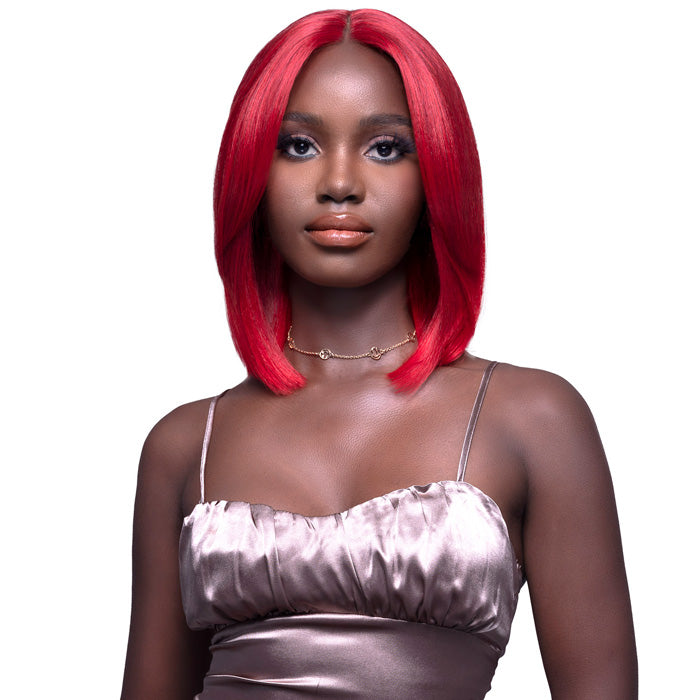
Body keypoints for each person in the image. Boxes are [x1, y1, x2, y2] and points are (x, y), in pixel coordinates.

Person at [121, 9, 637, 699]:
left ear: (438, 175)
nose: (340, 182)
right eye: (298, 145)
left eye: (386, 148)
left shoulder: (534, 419)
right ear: (251, 171)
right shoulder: (185, 445)